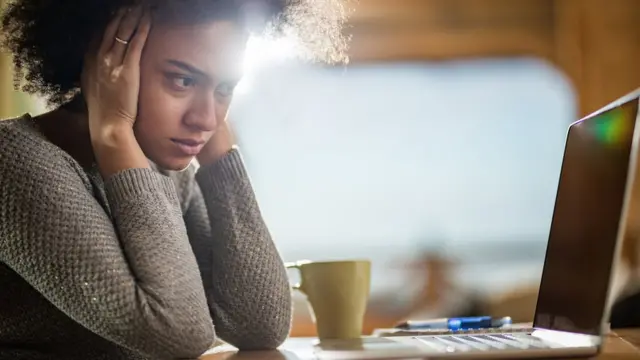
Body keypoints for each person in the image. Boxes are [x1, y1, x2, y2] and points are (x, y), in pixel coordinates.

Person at [0, 0, 347, 359]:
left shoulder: (160, 169)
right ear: (105, 66)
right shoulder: (11, 160)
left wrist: (220, 162)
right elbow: (180, 334)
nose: (206, 118)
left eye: (224, 88)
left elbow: (260, 325)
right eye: (183, 80)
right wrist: (114, 133)